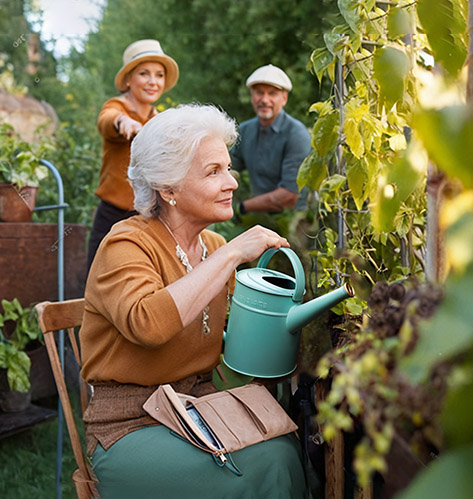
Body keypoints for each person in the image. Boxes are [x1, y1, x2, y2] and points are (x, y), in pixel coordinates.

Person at [79, 103, 306, 498]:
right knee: (267, 465)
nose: (231, 182)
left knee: (283, 446)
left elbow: (238, 343)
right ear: (168, 189)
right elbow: (149, 324)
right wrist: (232, 254)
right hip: (130, 426)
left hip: (199, 409)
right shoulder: (126, 244)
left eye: (228, 168)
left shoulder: (212, 246)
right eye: (213, 171)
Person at [86, 39, 179, 271]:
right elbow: (107, 120)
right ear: (128, 79)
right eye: (144, 73)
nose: (153, 81)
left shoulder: (159, 119)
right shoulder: (117, 107)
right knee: (99, 271)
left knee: (139, 272)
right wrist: (123, 122)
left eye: (159, 75)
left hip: (149, 213)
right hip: (113, 212)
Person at [230, 64, 311, 214]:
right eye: (259, 93)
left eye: (272, 93)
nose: (264, 100)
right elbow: (229, 166)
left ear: (284, 98)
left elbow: (290, 196)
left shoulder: (296, 134)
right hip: (259, 215)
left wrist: (241, 208)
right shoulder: (245, 130)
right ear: (252, 96)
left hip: (293, 219)